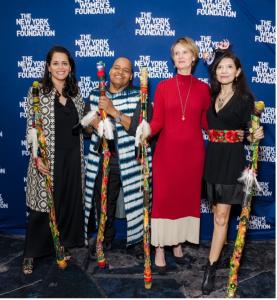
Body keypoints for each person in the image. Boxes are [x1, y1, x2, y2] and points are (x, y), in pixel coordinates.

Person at [143, 37, 211, 273]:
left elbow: (207, 123)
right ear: (173, 59)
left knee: (185, 198)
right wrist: (144, 133)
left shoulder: (204, 89)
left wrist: (232, 133)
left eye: (185, 52)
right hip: (167, 154)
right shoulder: (163, 87)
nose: (181, 56)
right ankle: (160, 247)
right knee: (164, 199)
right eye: (177, 53)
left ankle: (178, 243)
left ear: (194, 57)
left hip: (193, 156)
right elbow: (158, 121)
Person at [201, 47, 264, 294]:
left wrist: (256, 133)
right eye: (220, 67)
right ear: (215, 72)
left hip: (231, 160)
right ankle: (223, 251)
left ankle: (210, 267)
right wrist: (216, 51)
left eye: (229, 67)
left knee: (221, 217)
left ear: (237, 72)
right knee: (218, 211)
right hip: (213, 159)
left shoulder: (245, 99)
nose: (224, 71)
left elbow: (252, 130)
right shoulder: (211, 96)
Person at [23, 46, 85, 275]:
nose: (61, 67)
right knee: (41, 209)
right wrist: (37, 157)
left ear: (70, 67)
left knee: (65, 203)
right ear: (48, 67)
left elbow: (83, 127)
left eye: (65, 63)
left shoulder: (75, 93)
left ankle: (59, 246)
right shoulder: (37, 92)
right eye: (56, 63)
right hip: (47, 158)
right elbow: (31, 129)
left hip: (72, 159)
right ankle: (30, 253)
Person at [84, 57, 152, 258]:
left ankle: (138, 241)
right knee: (104, 202)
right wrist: (93, 122)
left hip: (132, 161)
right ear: (109, 71)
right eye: (116, 68)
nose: (120, 72)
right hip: (104, 159)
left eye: (125, 70)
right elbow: (86, 129)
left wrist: (113, 111)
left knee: (139, 201)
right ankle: (104, 239)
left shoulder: (140, 97)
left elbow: (140, 130)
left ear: (131, 76)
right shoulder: (96, 94)